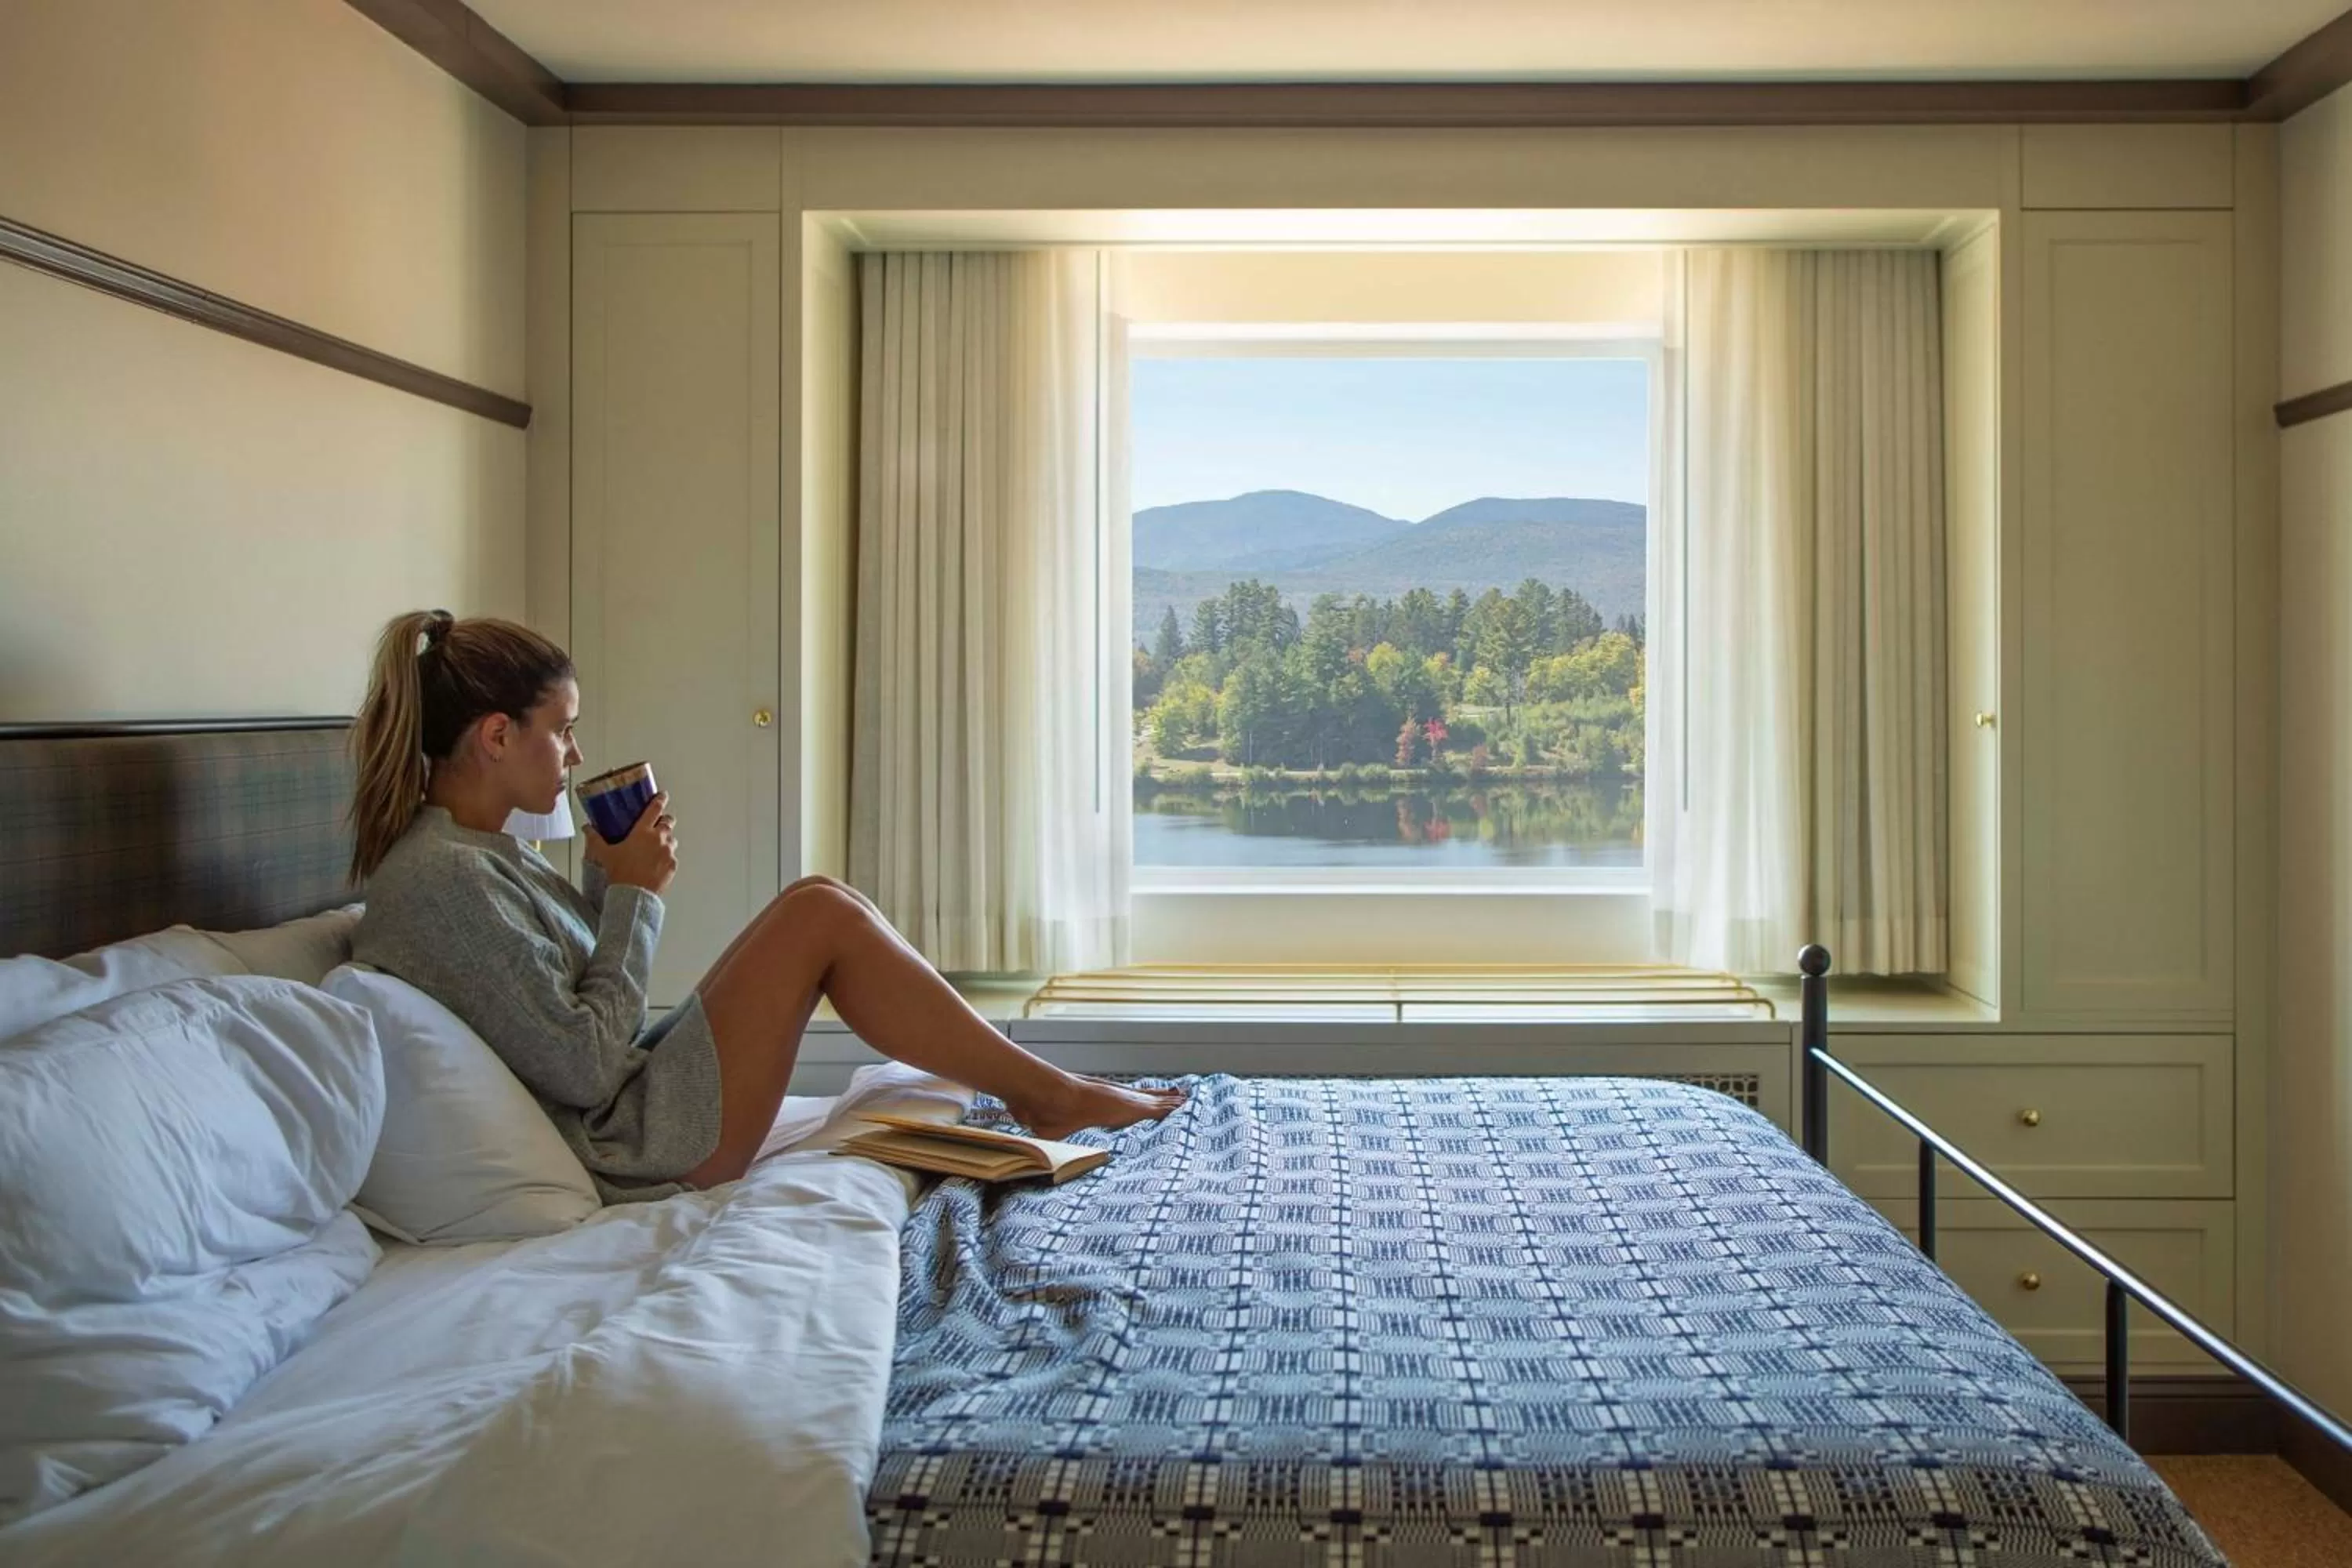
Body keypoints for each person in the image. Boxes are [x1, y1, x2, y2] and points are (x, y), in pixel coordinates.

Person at [347, 608, 1179, 1202]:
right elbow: (586, 1065)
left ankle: (1046, 1087)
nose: (575, 753)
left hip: (635, 1109)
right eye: (563, 729)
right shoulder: (441, 881)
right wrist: (633, 895)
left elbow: (572, 1017)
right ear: (497, 736)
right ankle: (1049, 1094)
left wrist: (609, 879)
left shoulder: (487, 858)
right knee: (817, 916)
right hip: (634, 1149)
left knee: (819, 899)